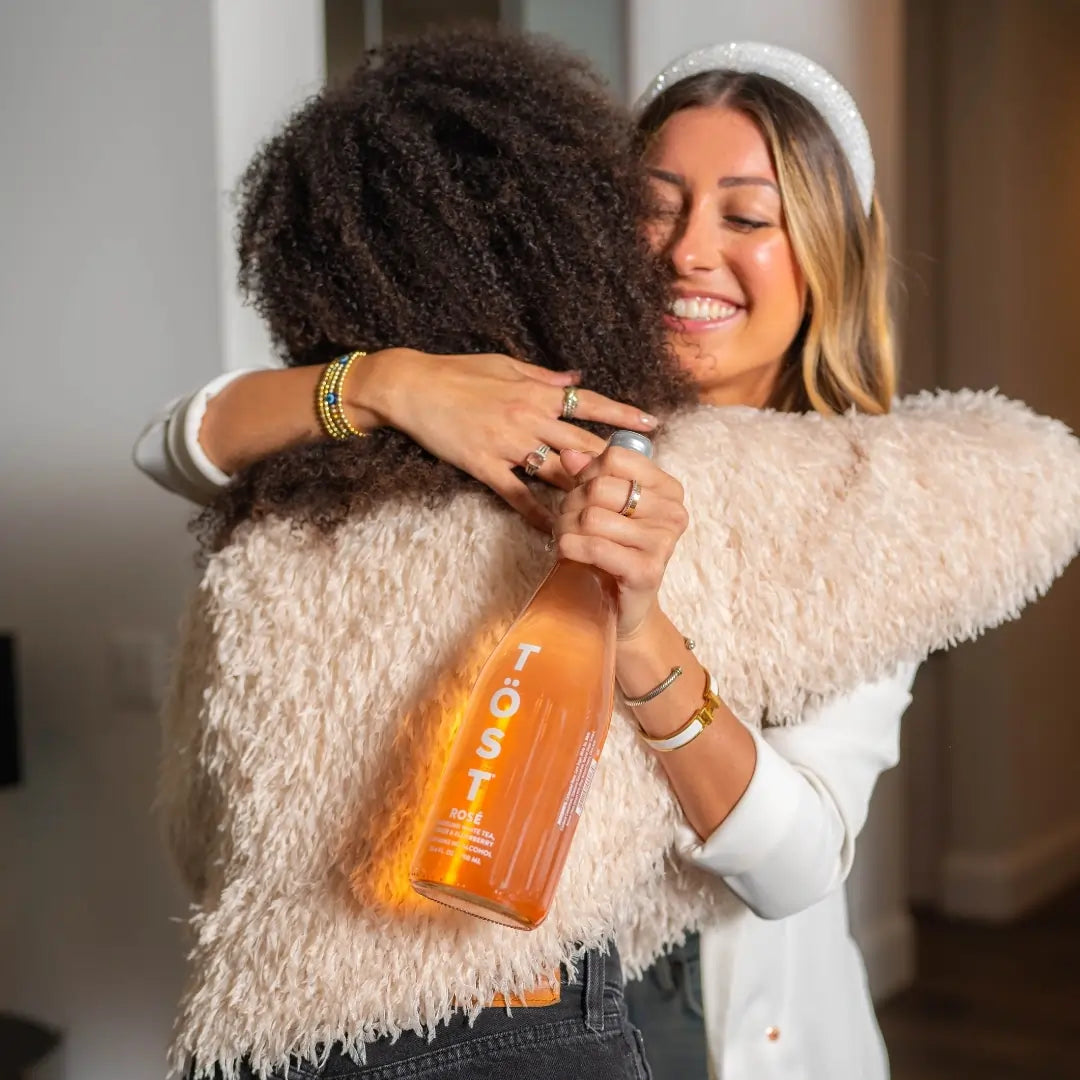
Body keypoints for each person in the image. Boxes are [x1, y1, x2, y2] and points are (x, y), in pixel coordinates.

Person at [148, 37, 1080, 1080]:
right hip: (481, 995)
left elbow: (797, 865)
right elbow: (177, 447)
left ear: (827, 254)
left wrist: (639, 629)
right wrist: (385, 384)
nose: (688, 250)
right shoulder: (529, 407)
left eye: (746, 216)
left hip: (701, 1018)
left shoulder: (860, 500)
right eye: (655, 204)